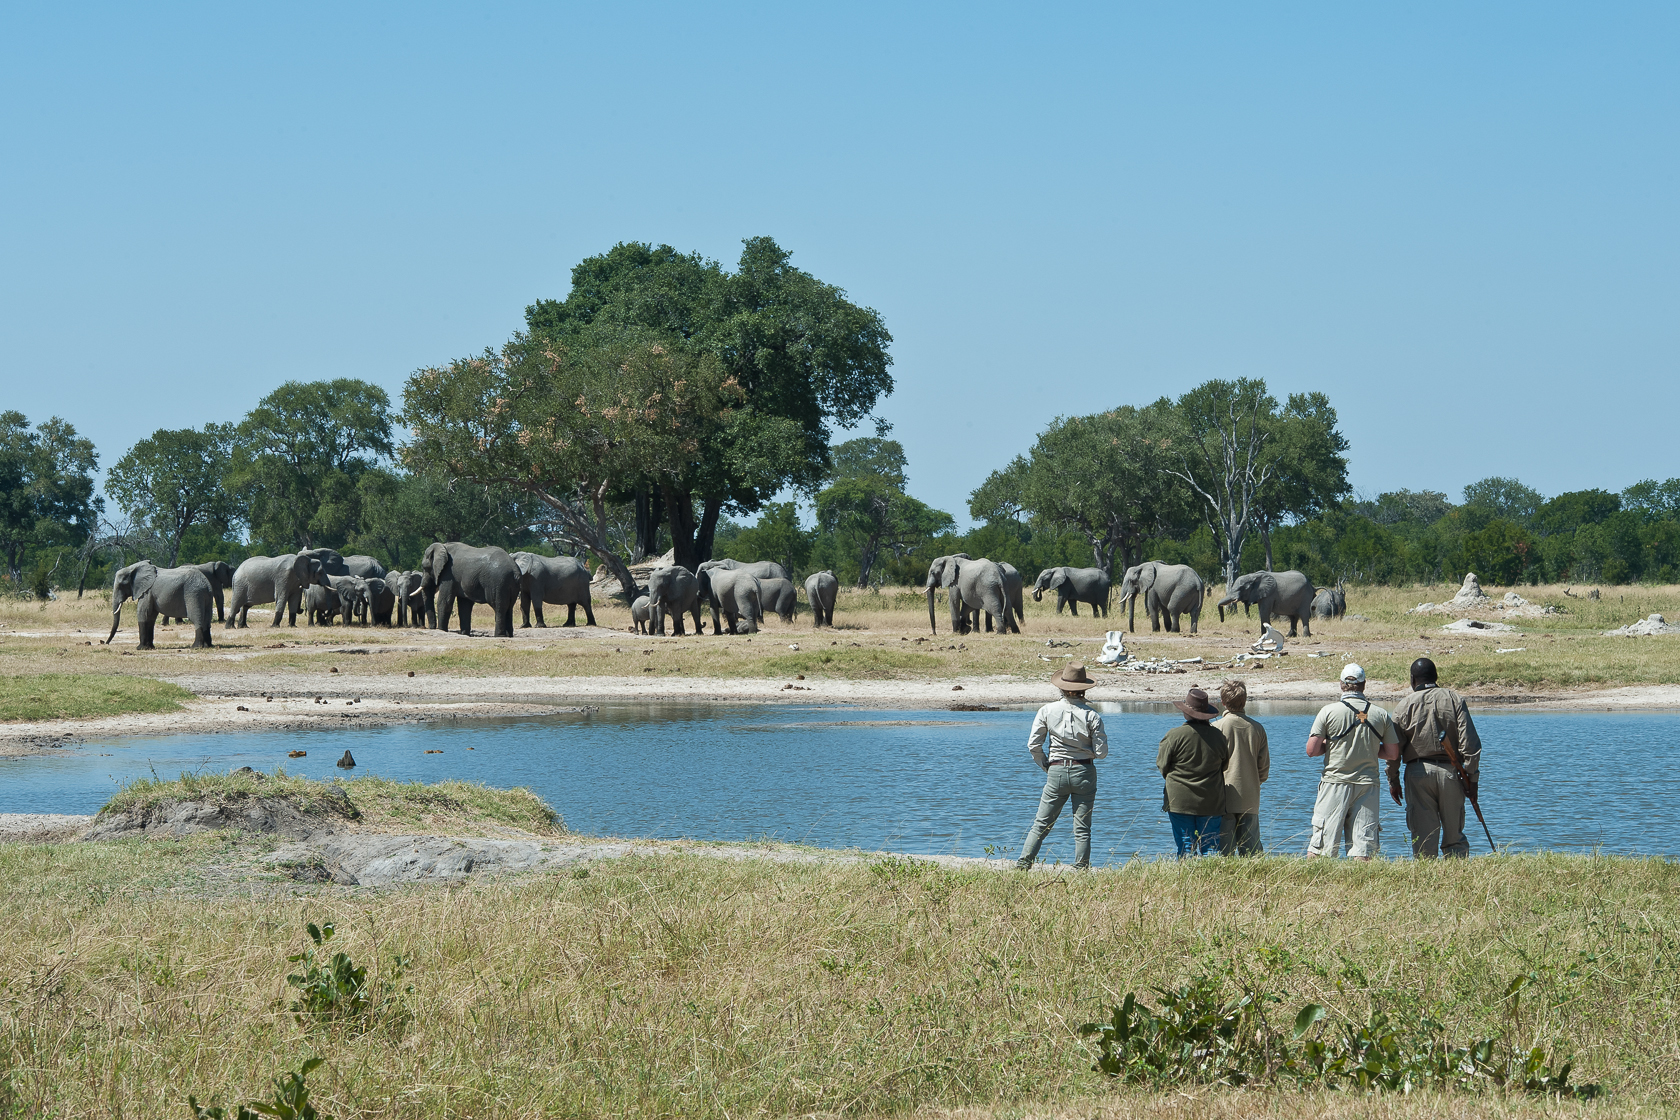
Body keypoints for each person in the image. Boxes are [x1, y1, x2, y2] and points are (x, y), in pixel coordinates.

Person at [1016, 663, 1109, 870]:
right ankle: (1081, 868)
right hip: (1084, 771)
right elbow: (1102, 753)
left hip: (1056, 770)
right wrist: (1086, 751)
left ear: (1061, 687)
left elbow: (1033, 745)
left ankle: (1023, 864)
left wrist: (1046, 765)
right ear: (1084, 689)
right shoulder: (1092, 715)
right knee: (1082, 828)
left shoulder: (1046, 710)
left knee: (1041, 823)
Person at [1388, 657, 1482, 858]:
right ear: (1436, 676)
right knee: (1454, 837)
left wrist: (1393, 780)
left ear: (1412, 679)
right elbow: (1470, 745)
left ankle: (1426, 874)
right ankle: (1457, 872)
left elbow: (1393, 751)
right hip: (1452, 773)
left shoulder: (1403, 705)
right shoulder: (1454, 699)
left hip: (1417, 774)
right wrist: (1472, 779)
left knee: (1423, 839)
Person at [1305, 663, 1399, 859]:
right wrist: (1369, 747)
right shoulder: (1380, 714)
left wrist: (1331, 745)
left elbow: (1312, 750)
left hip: (1334, 783)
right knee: (1363, 850)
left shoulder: (1328, 711)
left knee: (1321, 849)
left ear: (1341, 685)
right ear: (1364, 685)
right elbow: (1392, 753)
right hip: (1368, 785)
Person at [1157, 687, 1229, 857]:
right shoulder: (1219, 736)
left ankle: (1186, 874)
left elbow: (1162, 766)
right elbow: (1224, 765)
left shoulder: (1174, 735)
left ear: (1186, 713)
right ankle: (1212, 875)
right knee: (1211, 847)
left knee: (1186, 847)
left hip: (1179, 800)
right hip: (1211, 800)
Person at [1214, 679, 1269, 856]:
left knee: (1224, 853)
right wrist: (1253, 782)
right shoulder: (1257, 728)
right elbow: (1264, 769)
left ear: (1223, 702)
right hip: (1250, 797)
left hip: (1222, 798)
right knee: (1252, 852)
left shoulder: (1216, 728)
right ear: (1245, 701)